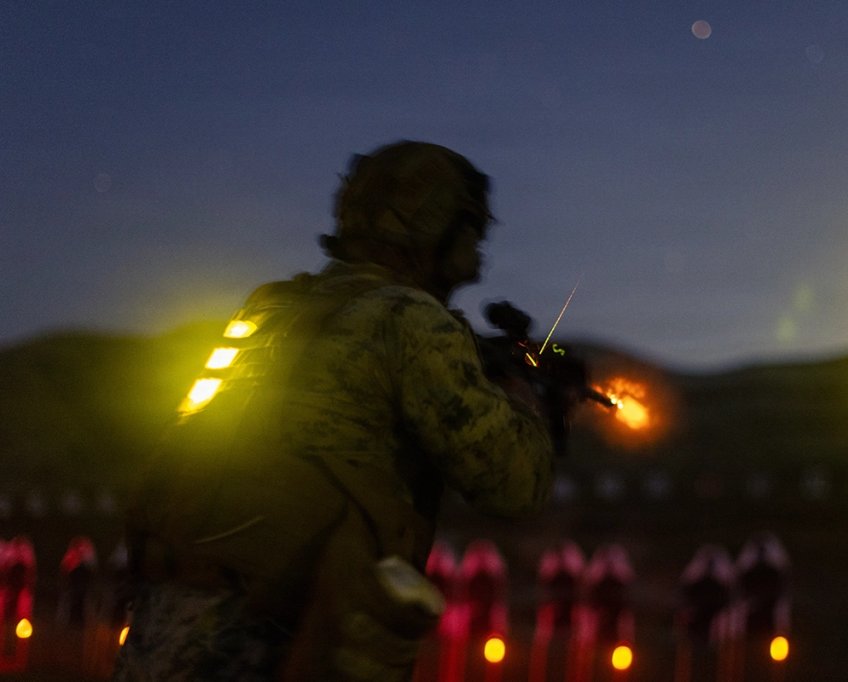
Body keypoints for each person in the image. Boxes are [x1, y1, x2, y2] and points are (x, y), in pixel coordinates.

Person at [114, 140, 558, 681]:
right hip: (282, 636)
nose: (479, 254)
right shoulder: (408, 318)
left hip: (171, 623)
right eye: (471, 231)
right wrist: (532, 405)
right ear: (434, 225)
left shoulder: (271, 307)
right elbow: (514, 486)